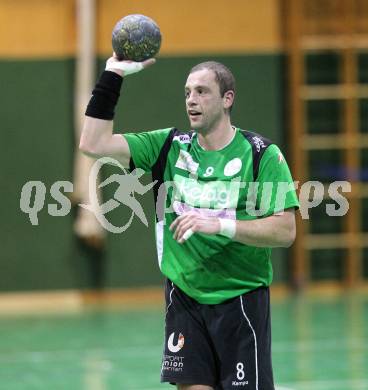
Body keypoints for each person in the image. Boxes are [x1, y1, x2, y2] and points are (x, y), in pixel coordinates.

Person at [80, 54, 299, 390]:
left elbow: (285, 231)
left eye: (202, 91)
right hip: (184, 298)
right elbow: (93, 144)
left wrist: (220, 224)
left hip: (239, 300)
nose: (192, 100)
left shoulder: (261, 154)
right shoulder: (169, 147)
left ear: (228, 99)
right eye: (187, 93)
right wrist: (113, 74)